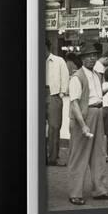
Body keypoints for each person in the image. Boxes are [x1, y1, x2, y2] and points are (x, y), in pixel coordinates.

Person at [67, 43, 108, 205]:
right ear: (81, 59)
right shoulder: (77, 77)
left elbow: (94, 95)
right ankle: (75, 192)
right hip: (84, 116)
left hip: (97, 113)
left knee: (99, 154)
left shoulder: (96, 74)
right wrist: (83, 125)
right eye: (88, 56)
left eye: (94, 55)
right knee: (79, 155)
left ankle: (99, 189)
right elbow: (74, 104)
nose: (92, 58)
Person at [45, 39, 69, 167]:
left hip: (53, 94)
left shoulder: (59, 61)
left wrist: (61, 93)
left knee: (54, 127)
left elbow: (65, 77)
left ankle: (53, 158)